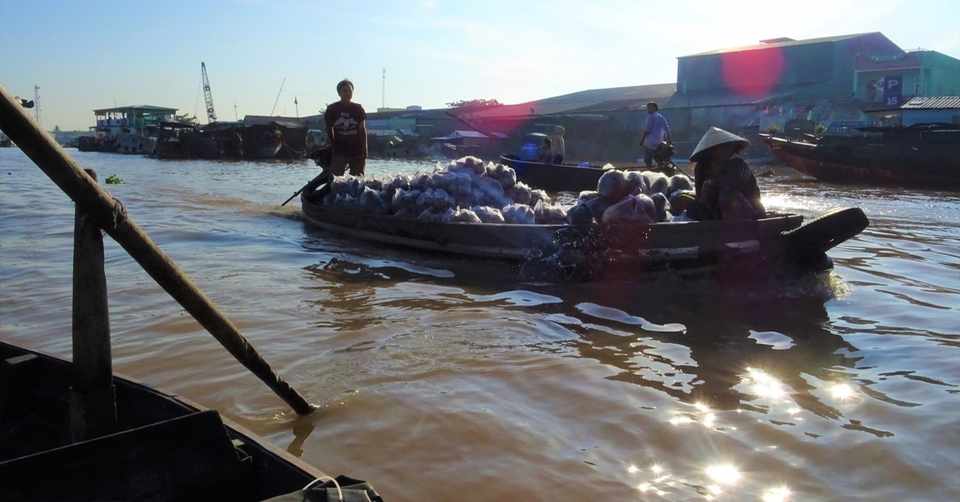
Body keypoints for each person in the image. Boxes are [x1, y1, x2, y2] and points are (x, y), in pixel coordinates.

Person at [687, 127, 765, 221]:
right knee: (685, 201)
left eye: (729, 146)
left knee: (727, 196)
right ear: (712, 149)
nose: (728, 149)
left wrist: (711, 184)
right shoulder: (701, 167)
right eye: (723, 147)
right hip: (715, 212)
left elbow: (729, 189)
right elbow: (700, 196)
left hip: (747, 212)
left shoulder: (738, 165)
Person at [324, 79, 367, 176]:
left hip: (357, 150)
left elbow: (362, 130)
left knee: (358, 178)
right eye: (344, 91)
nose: (347, 93)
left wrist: (365, 150)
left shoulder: (358, 108)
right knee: (336, 178)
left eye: (349, 91)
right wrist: (332, 146)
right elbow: (329, 129)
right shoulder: (332, 109)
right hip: (339, 150)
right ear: (339, 93)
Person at [639, 102, 671, 168]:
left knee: (647, 159)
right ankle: (661, 168)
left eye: (649, 107)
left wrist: (642, 140)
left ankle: (650, 170)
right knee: (658, 158)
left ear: (654, 108)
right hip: (659, 141)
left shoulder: (651, 117)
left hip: (650, 142)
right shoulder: (661, 116)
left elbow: (647, 130)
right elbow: (666, 128)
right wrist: (668, 140)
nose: (647, 109)